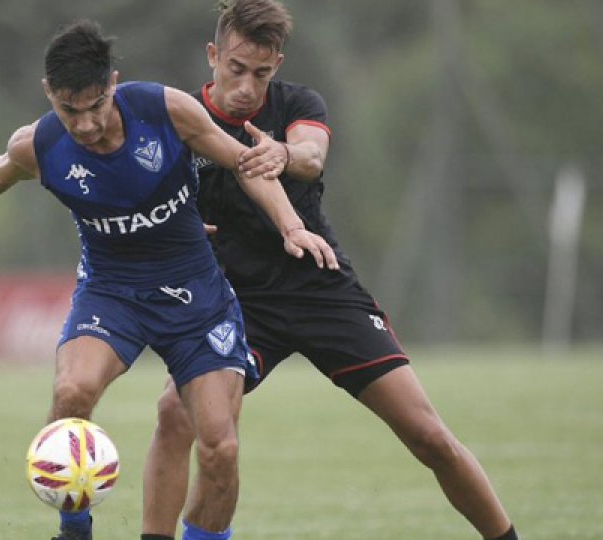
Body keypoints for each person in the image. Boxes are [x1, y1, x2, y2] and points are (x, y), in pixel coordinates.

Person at [0, 19, 338, 540]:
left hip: (197, 295)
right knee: (72, 393)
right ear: (49, 96)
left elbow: (244, 164)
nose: (84, 125)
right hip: (113, 292)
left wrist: (291, 226)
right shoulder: (39, 144)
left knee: (221, 449)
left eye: (95, 106)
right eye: (69, 110)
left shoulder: (166, 110)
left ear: (113, 83)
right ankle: (74, 526)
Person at [140, 1, 519, 540]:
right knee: (177, 417)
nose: (248, 86)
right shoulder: (181, 122)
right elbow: (145, 196)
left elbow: (311, 155)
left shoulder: (298, 103)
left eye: (262, 73)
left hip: (320, 286)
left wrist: (283, 156)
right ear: (212, 57)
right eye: (236, 69)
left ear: (278, 66)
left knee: (429, 437)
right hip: (235, 305)